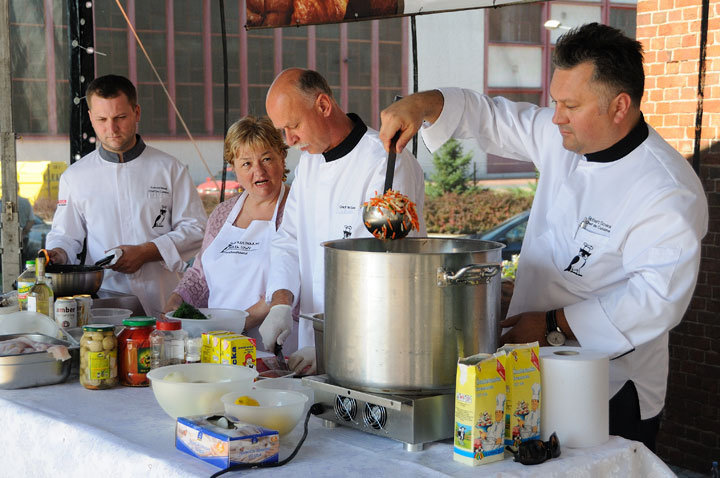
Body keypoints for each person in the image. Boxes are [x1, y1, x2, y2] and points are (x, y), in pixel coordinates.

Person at [378, 23, 708, 452]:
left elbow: (656, 300)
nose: (556, 117)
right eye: (554, 102)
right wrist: (426, 104)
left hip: (607, 387)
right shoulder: (562, 138)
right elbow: (492, 117)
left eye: (570, 105)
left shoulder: (667, 190)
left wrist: (553, 323)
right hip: (528, 371)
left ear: (620, 106)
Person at [260, 68, 427, 374]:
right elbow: (288, 241)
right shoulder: (309, 164)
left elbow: (386, 266)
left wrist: (335, 342)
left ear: (323, 106)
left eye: (293, 126)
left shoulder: (387, 162)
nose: (290, 140)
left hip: (374, 347)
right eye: (282, 130)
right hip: (316, 346)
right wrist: (281, 303)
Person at [45, 74, 207, 317]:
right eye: (102, 119)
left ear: (136, 113)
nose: (111, 129)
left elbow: (196, 230)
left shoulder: (169, 168)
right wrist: (57, 252)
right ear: (90, 117)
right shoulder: (75, 177)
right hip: (107, 300)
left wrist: (147, 251)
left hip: (164, 296)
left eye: (120, 117)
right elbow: (66, 235)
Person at [165, 116, 291, 345]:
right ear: (233, 168)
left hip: (272, 343)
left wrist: (240, 324)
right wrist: (178, 300)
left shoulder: (296, 210)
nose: (258, 171)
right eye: (246, 164)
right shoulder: (223, 213)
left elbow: (295, 278)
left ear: (282, 157)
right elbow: (200, 274)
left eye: (267, 159)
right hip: (216, 342)